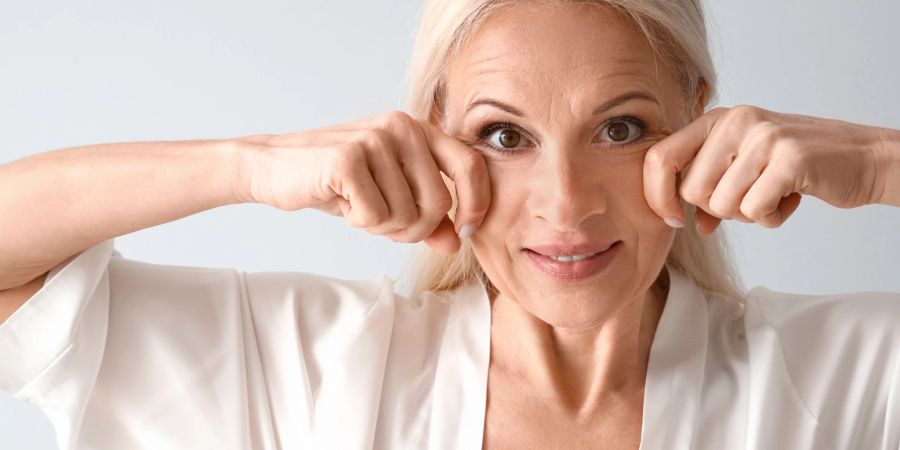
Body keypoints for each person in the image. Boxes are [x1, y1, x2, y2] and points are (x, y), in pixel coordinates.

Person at [1, 0, 899, 448]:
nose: (566, 203)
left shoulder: (846, 376)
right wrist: (253, 163)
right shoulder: (312, 368)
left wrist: (879, 164)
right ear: (436, 135)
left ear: (698, 114)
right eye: (504, 136)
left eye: (619, 129)